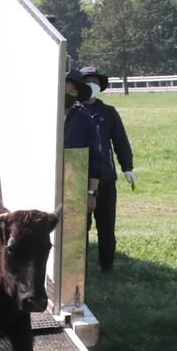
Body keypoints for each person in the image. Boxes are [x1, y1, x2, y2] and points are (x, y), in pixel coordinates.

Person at [78, 68, 135, 272]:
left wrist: (126, 166)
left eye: (95, 81)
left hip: (106, 179)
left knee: (106, 227)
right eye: (87, 81)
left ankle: (107, 266)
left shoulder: (108, 112)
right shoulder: (73, 111)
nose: (92, 84)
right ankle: (79, 266)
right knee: (79, 227)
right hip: (78, 178)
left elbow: (120, 140)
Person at [63, 68, 110, 238]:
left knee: (74, 233)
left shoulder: (85, 121)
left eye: (72, 91)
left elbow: (95, 160)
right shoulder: (42, 116)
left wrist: (91, 193)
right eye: (64, 90)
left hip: (74, 186)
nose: (67, 94)